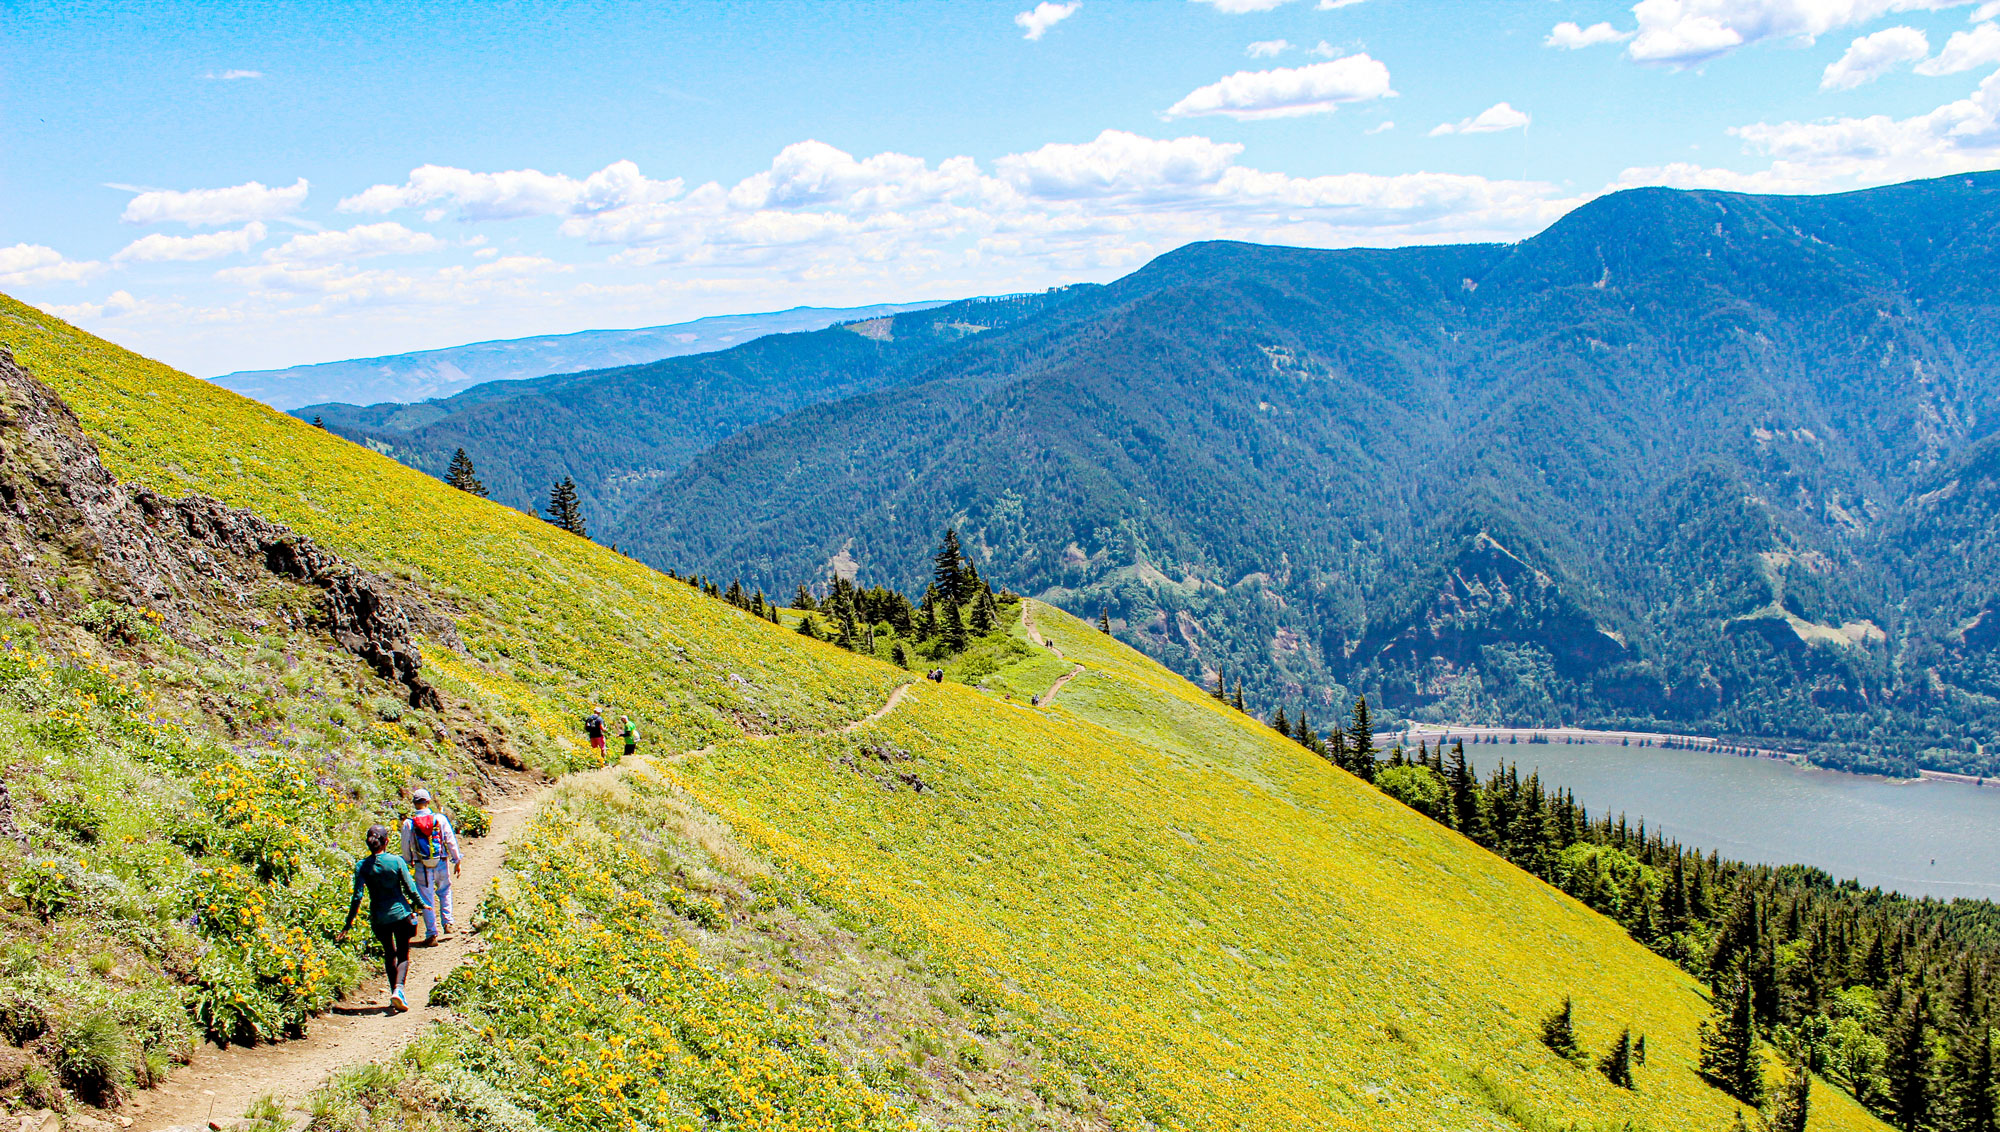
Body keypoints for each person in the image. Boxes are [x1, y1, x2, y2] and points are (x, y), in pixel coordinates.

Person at [338, 823, 427, 1013]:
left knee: (389, 953)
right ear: (386, 842)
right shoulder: (396, 861)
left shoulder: (361, 866)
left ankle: (393, 992)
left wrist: (348, 924)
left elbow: (357, 897)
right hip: (401, 913)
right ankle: (398, 990)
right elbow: (410, 888)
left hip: (379, 918)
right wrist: (422, 904)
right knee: (403, 953)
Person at [401, 788, 462, 944]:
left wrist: (409, 862)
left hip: (422, 865)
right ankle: (447, 922)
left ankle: (431, 934)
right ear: (428, 802)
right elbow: (450, 840)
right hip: (440, 861)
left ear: (414, 804)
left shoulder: (409, 823)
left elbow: (405, 846)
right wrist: (456, 859)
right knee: (445, 890)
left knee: (425, 899)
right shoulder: (440, 819)